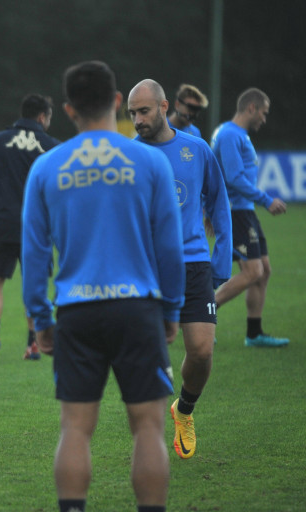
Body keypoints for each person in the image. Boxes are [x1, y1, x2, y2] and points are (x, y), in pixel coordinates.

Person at [23, 60, 190, 512]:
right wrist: (171, 309)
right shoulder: (149, 163)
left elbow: (34, 255)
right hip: (136, 308)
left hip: (76, 310)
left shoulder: (48, 167)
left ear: (69, 110)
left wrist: (39, 318)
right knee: (148, 428)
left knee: (75, 427)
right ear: (118, 102)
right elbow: (171, 248)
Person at [127, 79, 232, 460]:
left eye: (144, 111)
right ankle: (149, 437)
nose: (137, 120)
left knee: (202, 354)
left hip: (194, 264)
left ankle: (183, 410)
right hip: (148, 269)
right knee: (154, 355)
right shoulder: (129, 155)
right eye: (132, 114)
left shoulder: (196, 149)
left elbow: (219, 203)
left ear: (164, 107)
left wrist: (221, 259)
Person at [0, 94, 60, 362]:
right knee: (36, 283)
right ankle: (33, 342)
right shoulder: (52, 147)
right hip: (38, 228)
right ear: (42, 117)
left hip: (2, 223)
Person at [211, 88, 289, 347]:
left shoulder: (233, 134)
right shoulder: (231, 135)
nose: (264, 120)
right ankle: (200, 312)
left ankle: (254, 334)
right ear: (251, 108)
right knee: (252, 271)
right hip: (236, 211)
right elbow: (233, 177)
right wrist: (266, 200)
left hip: (244, 211)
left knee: (263, 271)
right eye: (263, 113)